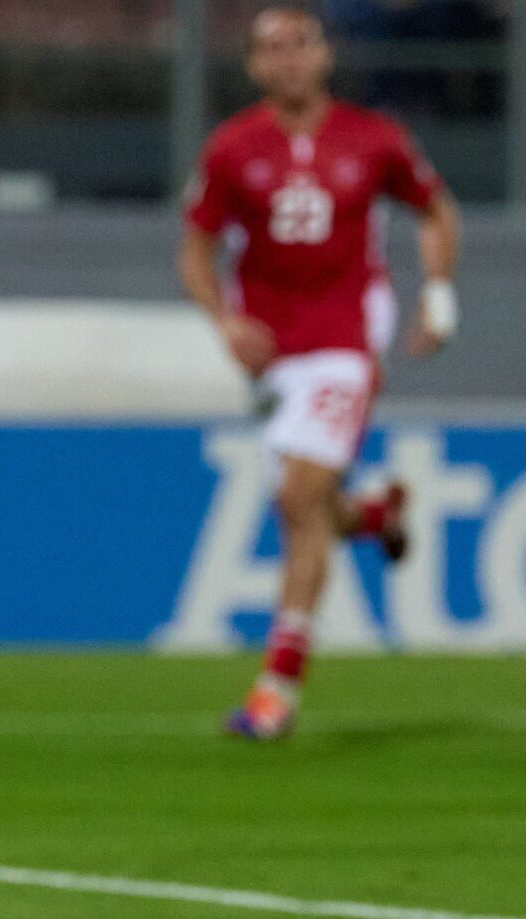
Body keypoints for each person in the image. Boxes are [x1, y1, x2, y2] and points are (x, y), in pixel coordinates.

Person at [176, 5, 461, 740]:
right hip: (274, 353)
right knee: (308, 507)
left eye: (301, 43)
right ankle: (375, 516)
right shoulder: (233, 148)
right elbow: (196, 247)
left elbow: (435, 210)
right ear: (254, 65)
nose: (290, 58)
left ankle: (276, 689)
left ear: (325, 54)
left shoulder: (374, 138)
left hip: (346, 338)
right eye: (273, 47)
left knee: (298, 494)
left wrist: (438, 293)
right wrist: (225, 322)